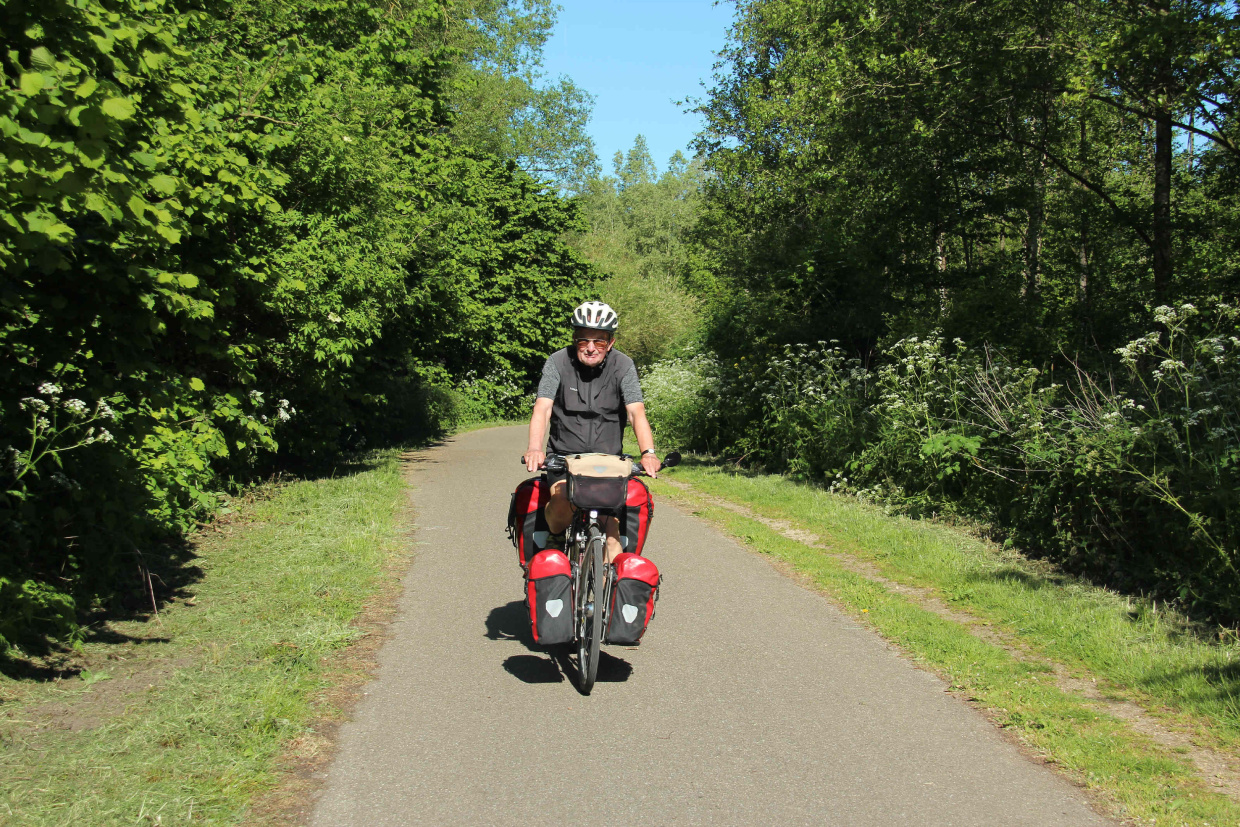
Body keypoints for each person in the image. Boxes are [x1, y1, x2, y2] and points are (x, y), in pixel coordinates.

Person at [523, 300, 661, 561]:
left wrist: (649, 453)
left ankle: (610, 584)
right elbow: (543, 408)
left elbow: (636, 412)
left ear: (610, 342)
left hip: (608, 463)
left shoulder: (623, 366)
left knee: (612, 533)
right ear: (574, 340)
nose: (590, 347)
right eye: (583, 340)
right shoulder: (557, 362)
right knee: (561, 503)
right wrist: (534, 449)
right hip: (564, 459)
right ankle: (556, 536)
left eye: (599, 341)